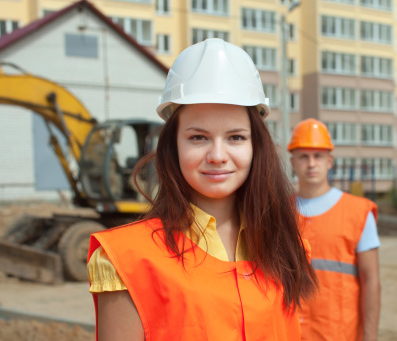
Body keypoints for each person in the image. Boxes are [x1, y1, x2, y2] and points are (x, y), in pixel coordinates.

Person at [86, 38, 317, 341]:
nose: (218, 155)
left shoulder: (287, 244)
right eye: (198, 138)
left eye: (235, 137)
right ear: (174, 146)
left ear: (256, 146)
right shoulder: (127, 259)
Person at [288, 119, 381, 341]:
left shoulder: (358, 213)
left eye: (318, 156)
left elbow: (371, 281)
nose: (311, 164)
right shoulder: (278, 213)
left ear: (330, 161)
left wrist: (370, 336)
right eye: (304, 156)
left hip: (339, 334)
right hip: (288, 332)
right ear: (293, 162)